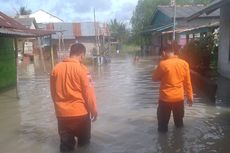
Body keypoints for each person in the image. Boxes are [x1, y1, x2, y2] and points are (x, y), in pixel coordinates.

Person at [50, 43, 98, 152]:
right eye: (83, 57)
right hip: (81, 115)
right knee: (84, 146)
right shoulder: (83, 70)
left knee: (66, 147)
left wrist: (59, 108)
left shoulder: (56, 69)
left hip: (62, 116)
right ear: (81, 55)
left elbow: (53, 94)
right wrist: (94, 111)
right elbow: (89, 93)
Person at [152, 44, 193, 133]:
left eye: (162, 54)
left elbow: (154, 78)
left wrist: (157, 71)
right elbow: (188, 83)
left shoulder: (163, 64)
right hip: (179, 98)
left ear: (164, 52)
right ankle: (179, 144)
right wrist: (190, 97)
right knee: (179, 124)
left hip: (165, 99)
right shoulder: (184, 64)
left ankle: (162, 145)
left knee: (162, 126)